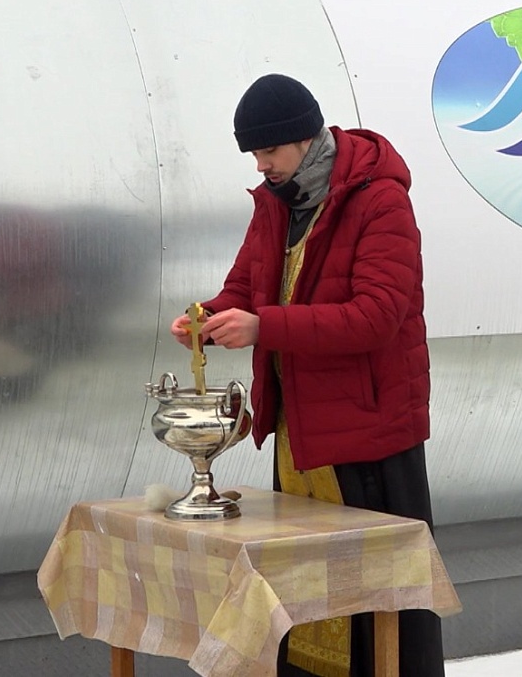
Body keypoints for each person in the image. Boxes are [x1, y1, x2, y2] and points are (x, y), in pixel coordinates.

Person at [169, 74, 442, 677]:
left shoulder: (380, 199)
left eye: (270, 151)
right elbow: (248, 284)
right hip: (304, 434)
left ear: (305, 138)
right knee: (306, 601)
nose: (261, 165)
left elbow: (375, 317)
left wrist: (264, 327)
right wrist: (209, 316)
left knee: (379, 609)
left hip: (370, 438)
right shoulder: (276, 201)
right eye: (254, 154)